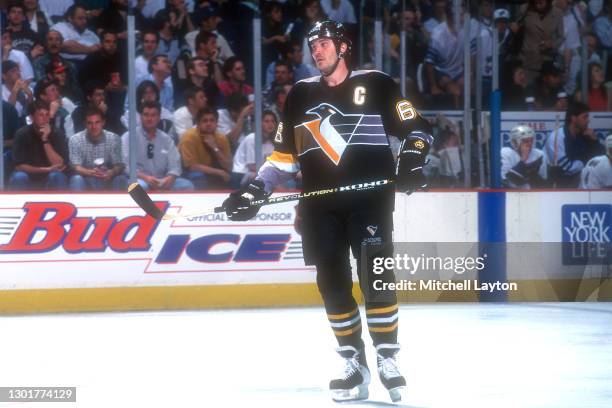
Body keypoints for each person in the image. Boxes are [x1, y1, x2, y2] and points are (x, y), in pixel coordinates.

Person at [222, 21, 433, 403]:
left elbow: (418, 129)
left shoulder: (378, 84)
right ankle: (354, 362)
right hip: (319, 206)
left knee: (377, 280)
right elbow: (284, 157)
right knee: (332, 284)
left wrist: (412, 160)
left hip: (370, 203)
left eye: (323, 43)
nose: (316, 50)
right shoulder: (300, 95)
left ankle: (388, 357)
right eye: (312, 45)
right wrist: (255, 188)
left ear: (343, 47)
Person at [121, 100, 194, 191]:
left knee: (187, 185)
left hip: (162, 180)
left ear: (159, 117)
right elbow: (125, 166)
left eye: (153, 115)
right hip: (140, 179)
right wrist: (145, 178)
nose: (149, 118)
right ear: (140, 117)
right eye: (146, 115)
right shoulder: (128, 137)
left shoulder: (166, 139)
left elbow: (175, 165)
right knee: (140, 187)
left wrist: (170, 178)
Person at [9, 100, 68, 190]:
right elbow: (19, 166)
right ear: (32, 117)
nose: (45, 118)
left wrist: (45, 139)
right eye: (41, 115)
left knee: (57, 176)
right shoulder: (22, 134)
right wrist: (46, 169)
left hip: (50, 176)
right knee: (19, 176)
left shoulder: (57, 134)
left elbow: (59, 164)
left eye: (47, 114)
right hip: (28, 176)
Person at [545, 102, 605, 188]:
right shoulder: (557, 137)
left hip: (578, 179)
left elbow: (603, 160)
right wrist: (585, 162)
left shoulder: (586, 135)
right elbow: (565, 168)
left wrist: (594, 142)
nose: (588, 120)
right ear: (573, 119)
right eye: (585, 117)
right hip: (557, 184)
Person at [178, 106, 239, 189]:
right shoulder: (189, 137)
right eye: (205, 121)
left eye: (212, 120)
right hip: (187, 173)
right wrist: (218, 172)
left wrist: (215, 148)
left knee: (235, 178)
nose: (208, 124)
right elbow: (192, 167)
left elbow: (229, 166)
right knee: (199, 176)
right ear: (198, 124)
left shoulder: (221, 138)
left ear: (217, 123)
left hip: (211, 171)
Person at [68, 107, 127, 191]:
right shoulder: (75, 139)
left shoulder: (114, 138)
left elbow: (120, 165)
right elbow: (75, 167)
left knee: (121, 178)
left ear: (103, 122)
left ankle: (119, 204)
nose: (94, 126)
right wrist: (91, 172)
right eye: (90, 123)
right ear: (85, 124)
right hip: (85, 179)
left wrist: (111, 172)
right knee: (76, 179)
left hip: (107, 178)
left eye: (97, 122)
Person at [232, 110, 276, 186]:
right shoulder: (251, 139)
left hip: (259, 173)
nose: (270, 124)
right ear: (259, 123)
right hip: (241, 174)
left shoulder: (272, 143)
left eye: (273, 121)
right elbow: (252, 166)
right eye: (266, 121)